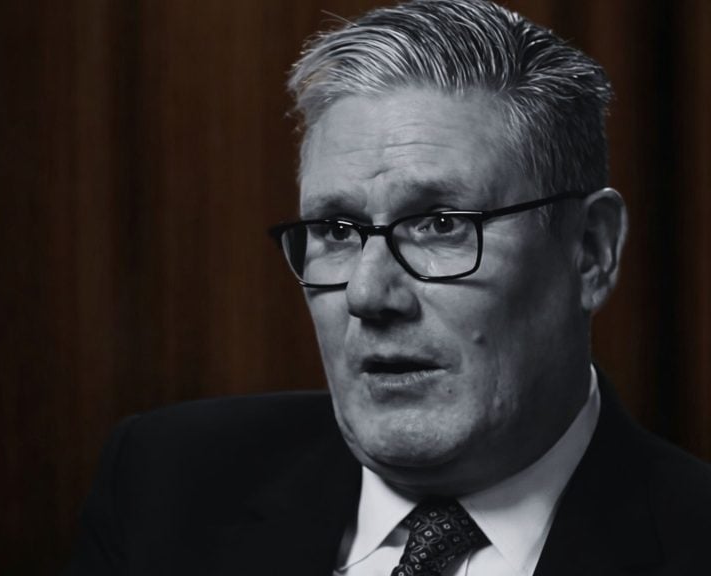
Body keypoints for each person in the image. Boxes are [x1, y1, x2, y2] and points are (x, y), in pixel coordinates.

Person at [65, 0, 711, 574]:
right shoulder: (162, 489)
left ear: (590, 252)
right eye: (337, 230)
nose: (368, 295)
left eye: (441, 224)